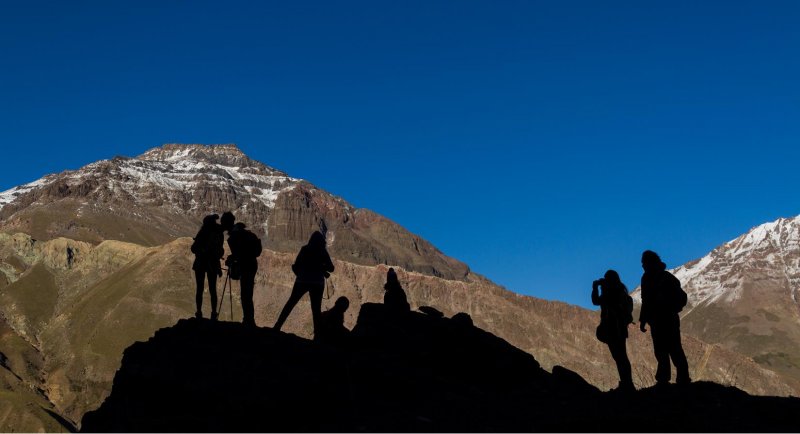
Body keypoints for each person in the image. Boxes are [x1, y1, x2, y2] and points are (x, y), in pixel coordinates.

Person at [639, 250, 691, 386]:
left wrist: (644, 319)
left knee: (671, 349)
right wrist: (643, 319)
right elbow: (645, 300)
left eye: (644, 263)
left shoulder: (661, 278)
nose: (643, 266)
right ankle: (674, 378)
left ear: (650, 263)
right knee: (665, 349)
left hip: (665, 318)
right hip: (662, 319)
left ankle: (675, 378)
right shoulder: (655, 278)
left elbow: (646, 300)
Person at [274, 231, 335, 336]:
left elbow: (297, 265)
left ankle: (277, 326)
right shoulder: (322, 251)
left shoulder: (305, 249)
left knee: (290, 303)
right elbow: (331, 268)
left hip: (302, 280)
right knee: (316, 310)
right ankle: (318, 335)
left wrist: (302, 272)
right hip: (317, 283)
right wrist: (321, 268)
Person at [591, 270, 634, 392]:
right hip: (618, 329)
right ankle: (626, 383)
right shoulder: (619, 291)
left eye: (606, 279)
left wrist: (597, 288)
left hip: (614, 329)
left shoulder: (613, 293)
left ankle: (627, 384)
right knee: (620, 357)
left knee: (620, 357)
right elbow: (596, 301)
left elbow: (597, 301)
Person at [222, 212, 262, 327]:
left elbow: (239, 253)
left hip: (246, 265)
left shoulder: (235, 236)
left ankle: (249, 321)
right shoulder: (241, 233)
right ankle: (249, 319)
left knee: (246, 294)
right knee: (247, 293)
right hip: (251, 264)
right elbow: (242, 252)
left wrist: (231, 259)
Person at [191, 214, 224, 320]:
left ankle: (199, 313)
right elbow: (220, 251)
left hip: (200, 263)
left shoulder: (203, 232)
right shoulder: (218, 234)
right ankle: (213, 313)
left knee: (200, 288)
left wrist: (202, 251)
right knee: (212, 289)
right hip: (212, 264)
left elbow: (193, 248)